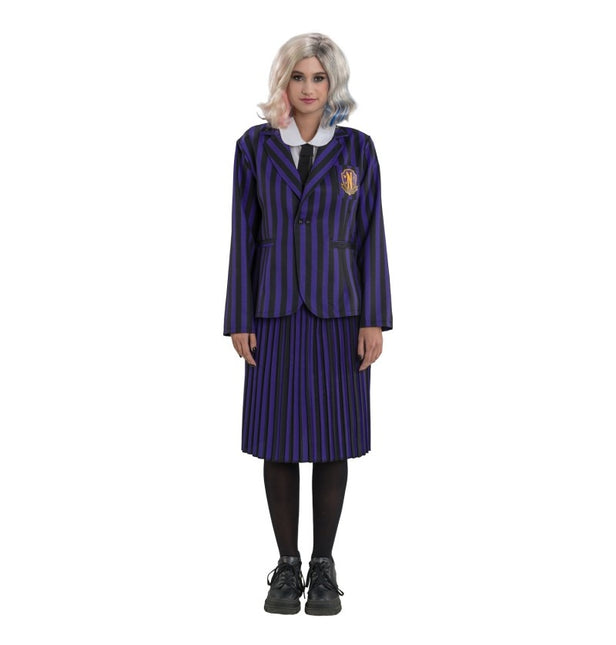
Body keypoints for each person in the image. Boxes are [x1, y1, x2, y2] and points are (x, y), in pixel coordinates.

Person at [223, 32, 393, 616]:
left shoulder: (358, 150)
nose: (308, 88)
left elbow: (371, 236)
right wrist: (238, 316)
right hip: (270, 313)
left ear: (333, 83)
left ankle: (323, 565)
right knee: (277, 439)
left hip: (339, 313)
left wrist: (374, 319)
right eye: (298, 76)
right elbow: (242, 235)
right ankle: (287, 564)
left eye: (319, 78)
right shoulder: (254, 147)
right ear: (283, 80)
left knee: (331, 439)